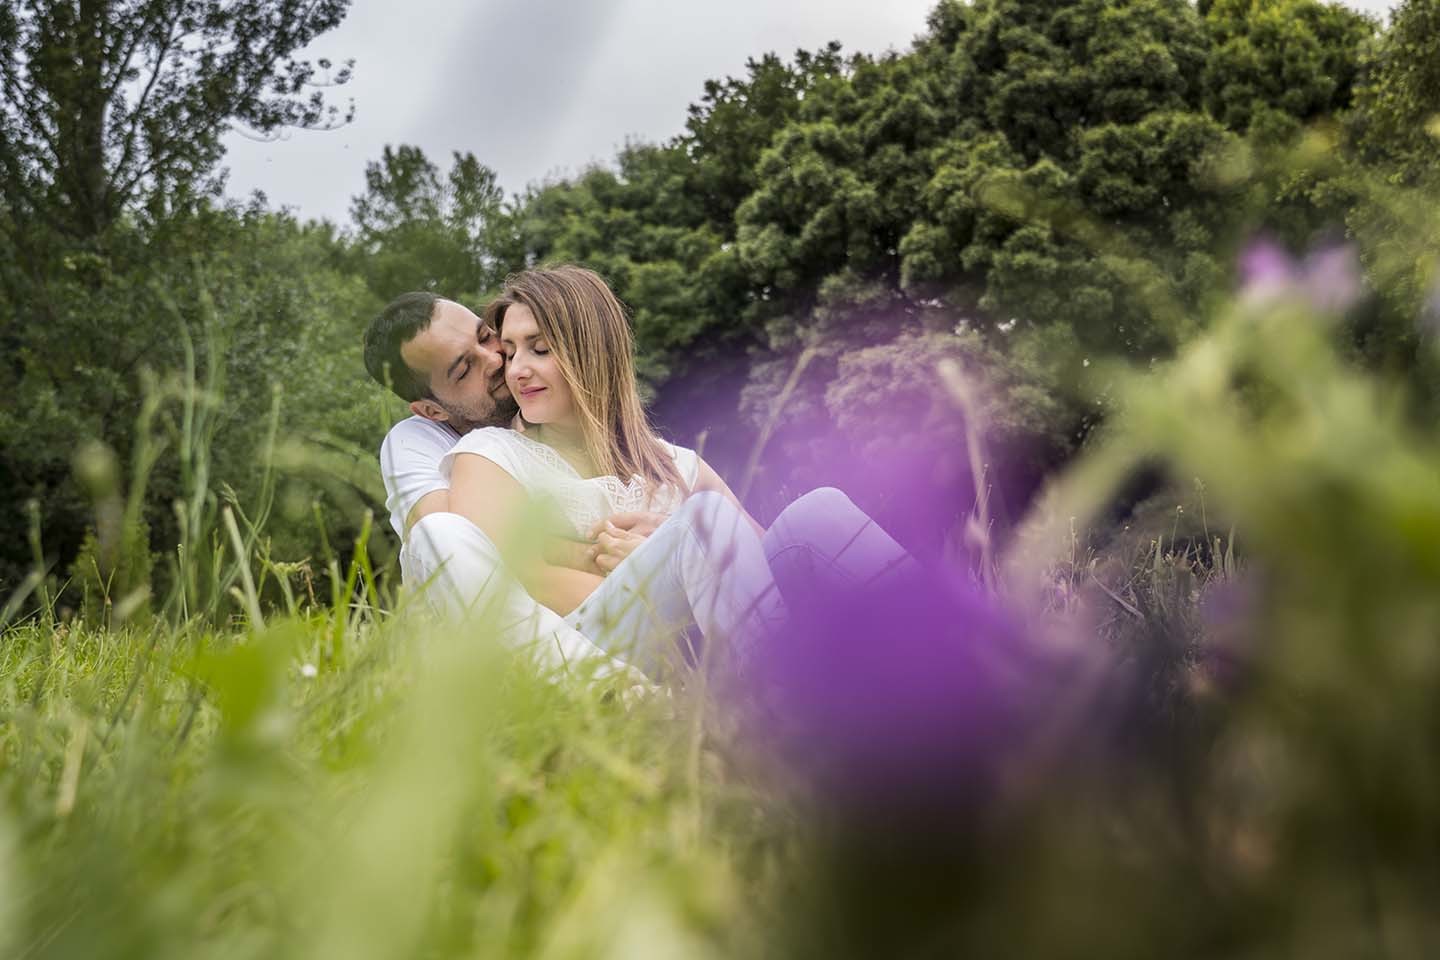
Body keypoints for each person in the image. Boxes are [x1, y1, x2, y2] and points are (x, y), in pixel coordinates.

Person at [364, 276, 923, 679]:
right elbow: (503, 576)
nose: (506, 367)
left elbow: (761, 557)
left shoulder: (672, 460)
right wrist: (669, 569)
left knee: (816, 511)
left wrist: (679, 554)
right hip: (592, 639)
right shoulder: (483, 452)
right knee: (701, 523)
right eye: (504, 353)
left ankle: (955, 656)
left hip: (713, 617)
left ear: (591, 349)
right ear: (432, 408)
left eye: (520, 347)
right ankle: (802, 718)